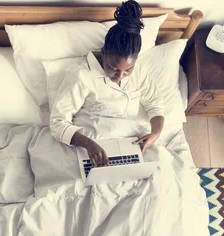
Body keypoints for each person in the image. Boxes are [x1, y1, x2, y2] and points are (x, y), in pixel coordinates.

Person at [50, 0, 165, 168]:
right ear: (103, 53)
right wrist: (88, 145)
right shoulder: (81, 76)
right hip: (93, 144)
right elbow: (58, 123)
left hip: (131, 144)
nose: (120, 76)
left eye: (128, 70)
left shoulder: (139, 71)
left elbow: (155, 105)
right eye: (113, 68)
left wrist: (155, 132)